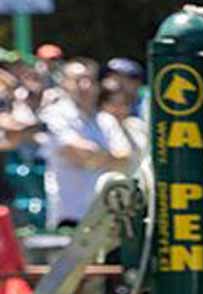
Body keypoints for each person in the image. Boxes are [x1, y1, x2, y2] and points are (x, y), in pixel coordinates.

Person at [39, 58, 133, 227]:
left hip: (103, 217)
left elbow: (125, 158)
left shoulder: (106, 120)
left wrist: (93, 157)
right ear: (65, 84)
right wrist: (107, 158)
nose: (84, 86)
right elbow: (77, 152)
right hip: (68, 216)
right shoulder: (55, 114)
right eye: (77, 80)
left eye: (89, 80)